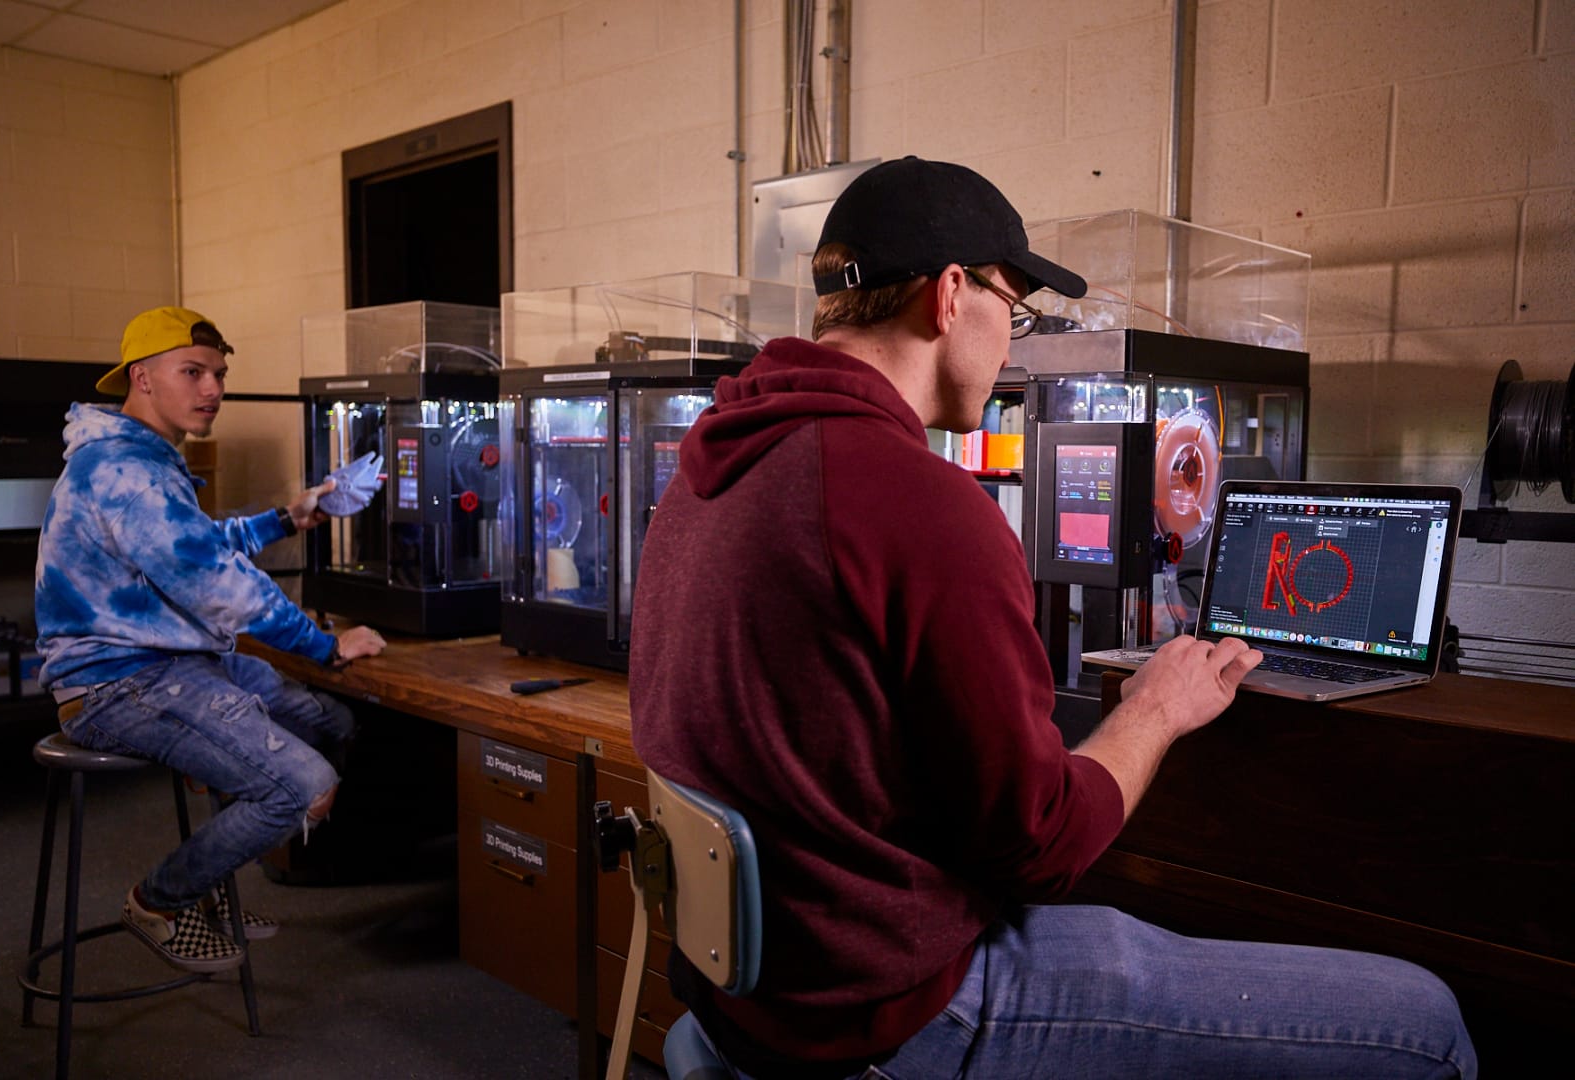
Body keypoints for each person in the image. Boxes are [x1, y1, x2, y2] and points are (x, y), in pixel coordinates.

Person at [629, 158, 1476, 1078]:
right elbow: (1038, 845)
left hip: (752, 1006)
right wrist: (1154, 709)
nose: (1013, 348)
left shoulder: (706, 471)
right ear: (952, 295)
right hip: (900, 1017)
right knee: (1425, 1027)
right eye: (1016, 310)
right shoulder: (919, 503)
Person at [35, 305, 387, 974]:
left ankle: (212, 865)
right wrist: (325, 646)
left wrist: (288, 517)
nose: (213, 391)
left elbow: (198, 547)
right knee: (302, 785)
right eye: (192, 372)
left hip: (172, 666)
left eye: (219, 374)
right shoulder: (127, 472)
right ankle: (160, 902)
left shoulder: (143, 460)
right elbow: (212, 579)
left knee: (329, 719)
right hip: (118, 684)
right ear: (142, 378)